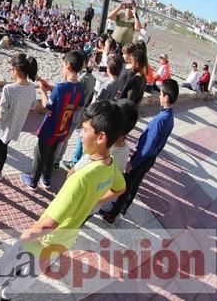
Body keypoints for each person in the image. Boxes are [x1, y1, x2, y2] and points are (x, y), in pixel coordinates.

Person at [0, 100, 126, 301]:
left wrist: (27, 234)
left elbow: (50, 223)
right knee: (34, 271)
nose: (80, 133)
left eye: (85, 129)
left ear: (101, 137)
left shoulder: (81, 177)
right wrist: (94, 201)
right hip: (66, 238)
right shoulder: (110, 165)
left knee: (7, 263)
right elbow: (120, 188)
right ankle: (6, 296)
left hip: (46, 237)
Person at [101, 80, 179, 224]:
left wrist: (134, 162)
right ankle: (125, 207)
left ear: (166, 97)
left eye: (161, 94)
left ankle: (113, 214)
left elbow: (148, 146)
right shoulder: (170, 117)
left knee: (127, 184)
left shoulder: (160, 119)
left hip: (143, 157)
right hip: (150, 158)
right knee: (136, 183)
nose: (159, 96)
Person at [21, 50, 84, 191]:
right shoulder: (79, 87)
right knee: (51, 155)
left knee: (40, 154)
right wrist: (52, 89)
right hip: (63, 129)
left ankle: (32, 180)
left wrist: (44, 92)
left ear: (67, 65)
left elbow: (47, 107)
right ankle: (46, 180)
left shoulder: (61, 88)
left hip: (49, 128)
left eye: (62, 66)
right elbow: (78, 104)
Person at [0, 54, 39, 194]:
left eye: (11, 68)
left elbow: (2, 115)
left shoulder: (8, 89)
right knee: (4, 149)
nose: (10, 71)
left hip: (1, 127)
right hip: (16, 127)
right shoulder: (31, 88)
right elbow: (33, 105)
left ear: (16, 69)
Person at [62, 55, 123, 169]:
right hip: (104, 115)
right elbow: (103, 79)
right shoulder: (116, 82)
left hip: (96, 115)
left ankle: (75, 162)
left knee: (83, 138)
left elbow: (98, 101)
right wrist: (93, 71)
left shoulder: (105, 87)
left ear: (109, 69)